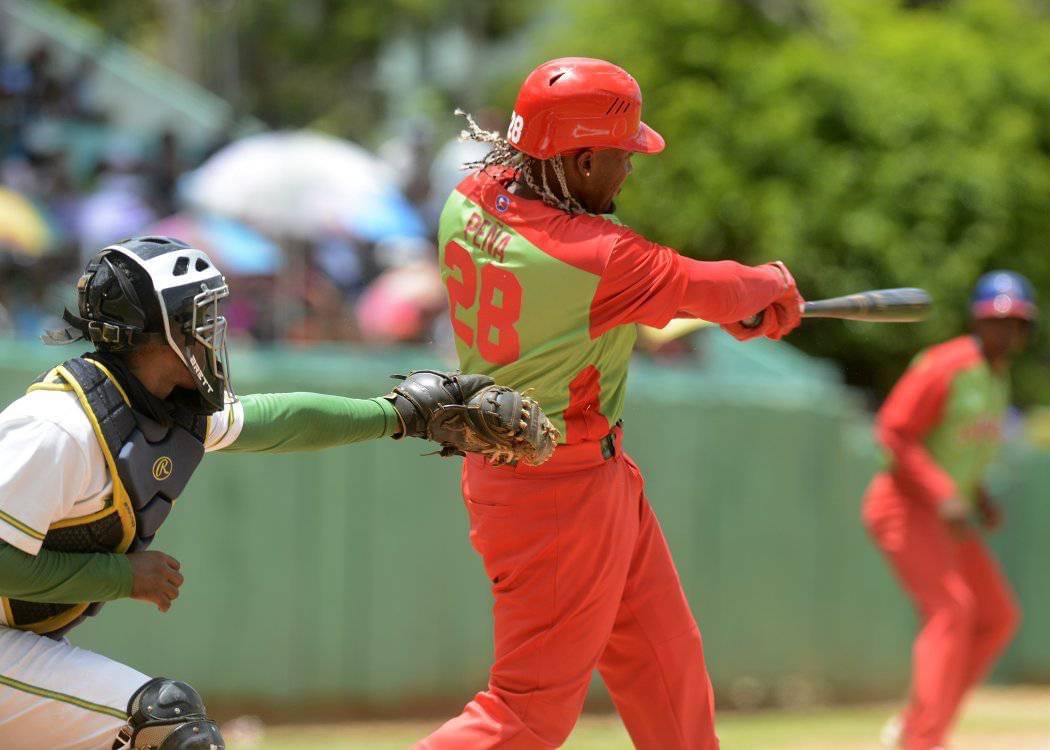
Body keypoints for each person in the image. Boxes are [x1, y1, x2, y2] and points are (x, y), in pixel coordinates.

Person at [0, 236, 551, 750]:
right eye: (198, 318)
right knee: (165, 724)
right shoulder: (58, 427)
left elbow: (276, 422)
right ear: (153, 331)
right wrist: (121, 577)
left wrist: (398, 415)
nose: (215, 329)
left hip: (17, 645)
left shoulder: (158, 406)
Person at [420, 57, 805, 750]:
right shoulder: (596, 257)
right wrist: (771, 283)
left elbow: (669, 291)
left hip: (574, 474)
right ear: (583, 158)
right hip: (555, 491)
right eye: (622, 156)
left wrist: (726, 305)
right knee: (526, 715)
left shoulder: (467, 198)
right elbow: (708, 286)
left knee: (667, 667)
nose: (629, 170)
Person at [863, 271, 1033, 750]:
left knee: (997, 615)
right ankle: (922, 738)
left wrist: (977, 495)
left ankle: (922, 724)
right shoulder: (947, 364)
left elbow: (958, 447)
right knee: (951, 611)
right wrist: (945, 492)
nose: (1005, 330)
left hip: (946, 515)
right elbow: (894, 430)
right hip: (904, 506)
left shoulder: (998, 377)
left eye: (1015, 322)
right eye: (995, 320)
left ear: (1026, 329)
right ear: (977, 321)